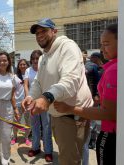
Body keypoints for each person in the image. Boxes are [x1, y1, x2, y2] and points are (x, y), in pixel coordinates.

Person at [22, 18, 93, 165]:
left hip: (72, 116)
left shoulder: (68, 47)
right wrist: (31, 96)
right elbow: (38, 82)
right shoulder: (43, 57)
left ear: (54, 31)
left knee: (69, 161)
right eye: (37, 33)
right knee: (69, 158)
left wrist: (46, 97)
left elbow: (70, 81)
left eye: (43, 31)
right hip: (58, 115)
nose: (39, 35)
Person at [54, 23, 118, 165]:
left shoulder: (113, 70)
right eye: (101, 44)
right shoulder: (115, 67)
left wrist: (70, 108)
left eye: (106, 44)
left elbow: (109, 113)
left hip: (110, 133)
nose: (102, 49)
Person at [24, 50, 53, 162]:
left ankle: (48, 151)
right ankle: (35, 148)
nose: (35, 60)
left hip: (45, 102)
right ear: (31, 60)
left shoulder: (46, 69)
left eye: (38, 58)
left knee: (46, 127)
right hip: (32, 102)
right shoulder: (28, 70)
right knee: (35, 126)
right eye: (33, 58)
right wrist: (28, 98)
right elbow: (26, 85)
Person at [11, 59, 31, 146]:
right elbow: (13, 92)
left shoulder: (30, 76)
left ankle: (26, 138)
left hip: (28, 103)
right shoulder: (15, 77)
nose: (22, 66)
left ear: (27, 65)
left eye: (24, 64)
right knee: (16, 122)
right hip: (18, 103)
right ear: (18, 66)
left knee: (28, 122)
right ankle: (14, 137)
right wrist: (14, 104)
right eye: (21, 64)